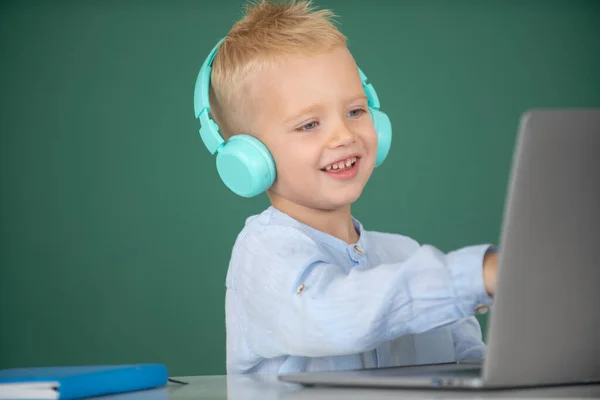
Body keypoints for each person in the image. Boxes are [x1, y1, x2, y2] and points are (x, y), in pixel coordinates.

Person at [193, 0, 498, 375]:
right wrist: (475, 275)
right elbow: (334, 313)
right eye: (309, 124)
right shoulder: (262, 255)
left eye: (355, 111)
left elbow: (473, 367)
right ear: (248, 158)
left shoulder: (406, 254)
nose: (344, 135)